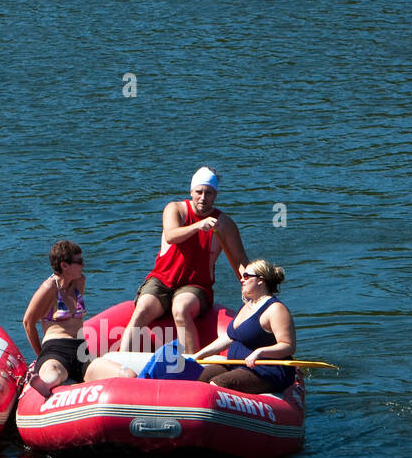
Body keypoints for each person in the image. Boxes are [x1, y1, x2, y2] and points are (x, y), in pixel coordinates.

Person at [118, 165, 248, 355]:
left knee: (181, 309)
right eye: (199, 192)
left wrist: (254, 286)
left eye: (209, 193)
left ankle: (190, 365)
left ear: (215, 195)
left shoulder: (224, 224)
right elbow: (171, 235)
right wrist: (198, 226)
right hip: (162, 280)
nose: (203, 197)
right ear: (191, 192)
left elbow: (239, 260)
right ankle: (121, 362)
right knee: (141, 311)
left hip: (196, 286)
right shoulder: (175, 209)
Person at [22, 241, 131, 397]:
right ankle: (42, 380)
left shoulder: (79, 282)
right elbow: (28, 322)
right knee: (53, 375)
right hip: (56, 350)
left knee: (127, 374)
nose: (83, 265)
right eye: (79, 261)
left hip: (81, 351)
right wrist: (40, 354)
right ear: (65, 266)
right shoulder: (49, 288)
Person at [193, 260, 296, 393]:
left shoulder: (275, 309)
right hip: (236, 364)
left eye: (246, 276)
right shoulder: (247, 305)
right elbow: (230, 337)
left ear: (261, 280)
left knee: (217, 384)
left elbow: (288, 346)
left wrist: (260, 352)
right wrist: (198, 355)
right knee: (197, 379)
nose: (242, 280)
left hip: (265, 370)